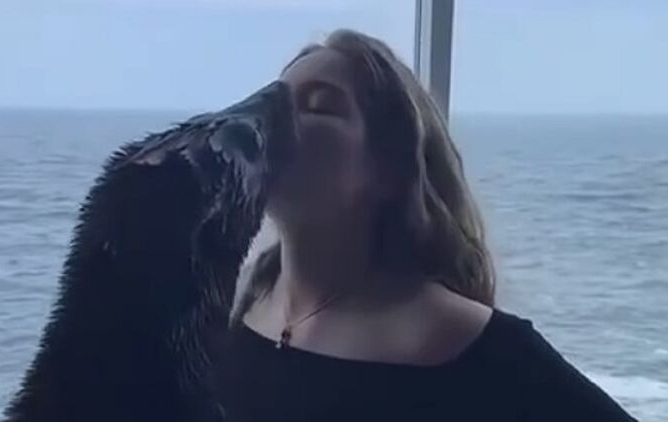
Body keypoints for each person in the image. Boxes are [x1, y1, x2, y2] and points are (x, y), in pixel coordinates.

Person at [212, 29, 638, 421]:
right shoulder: (231, 306)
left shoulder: (468, 343)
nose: (275, 120)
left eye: (320, 106)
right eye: (276, 103)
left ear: (388, 169)